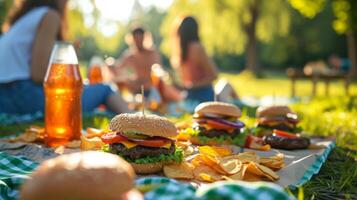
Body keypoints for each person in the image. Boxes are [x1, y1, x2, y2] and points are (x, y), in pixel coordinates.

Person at [0, 0, 129, 114]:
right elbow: (39, 74)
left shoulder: (23, 19)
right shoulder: (50, 15)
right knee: (105, 89)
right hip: (23, 95)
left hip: (4, 99)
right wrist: (68, 59)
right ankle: (138, 124)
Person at [170, 16, 218, 103]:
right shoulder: (197, 47)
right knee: (226, 85)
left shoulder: (180, 51)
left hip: (192, 96)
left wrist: (188, 87)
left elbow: (185, 83)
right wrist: (191, 86)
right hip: (203, 96)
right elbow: (214, 75)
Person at [113, 26, 161, 95]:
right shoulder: (130, 55)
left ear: (144, 38)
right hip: (136, 90)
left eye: (140, 38)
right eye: (136, 39)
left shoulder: (152, 53)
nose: (138, 41)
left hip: (152, 89)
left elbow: (158, 71)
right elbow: (118, 68)